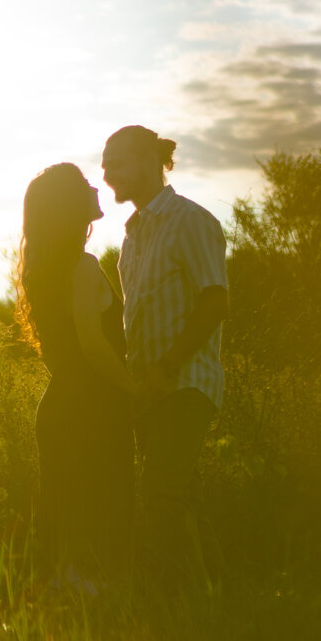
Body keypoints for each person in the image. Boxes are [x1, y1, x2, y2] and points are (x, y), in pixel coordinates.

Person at [100, 125, 228, 587]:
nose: (108, 173)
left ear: (150, 162)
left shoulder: (190, 221)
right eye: (105, 164)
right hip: (150, 392)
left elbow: (215, 301)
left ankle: (193, 604)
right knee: (182, 498)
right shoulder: (132, 236)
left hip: (185, 385)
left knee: (162, 497)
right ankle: (218, 595)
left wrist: (168, 367)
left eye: (117, 162)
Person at [15, 162, 144, 585]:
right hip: (93, 409)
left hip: (60, 407)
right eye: (86, 184)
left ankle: (66, 618)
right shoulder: (82, 266)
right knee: (103, 513)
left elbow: (61, 355)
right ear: (71, 205)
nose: (96, 188)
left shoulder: (43, 272)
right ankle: (102, 617)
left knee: (67, 517)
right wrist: (138, 390)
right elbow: (92, 345)